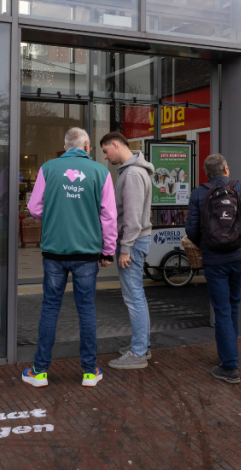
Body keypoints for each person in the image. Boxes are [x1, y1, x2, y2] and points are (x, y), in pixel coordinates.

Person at [22, 127, 117, 387]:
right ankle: (89, 371)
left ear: (66, 147)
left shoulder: (48, 168)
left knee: (50, 309)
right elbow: (108, 215)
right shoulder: (100, 172)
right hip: (87, 253)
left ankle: (39, 372)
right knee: (86, 310)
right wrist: (108, 250)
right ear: (87, 147)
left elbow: (33, 208)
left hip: (54, 251)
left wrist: (52, 214)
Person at [185, 154, 241, 383]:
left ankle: (229, 365)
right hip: (238, 258)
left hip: (214, 261)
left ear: (207, 173)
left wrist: (207, 245)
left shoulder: (199, 193)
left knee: (221, 309)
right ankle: (230, 356)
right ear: (226, 169)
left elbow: (191, 229)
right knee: (233, 305)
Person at [100, 132, 154, 369]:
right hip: (137, 241)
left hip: (133, 242)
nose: (105, 156)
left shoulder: (132, 174)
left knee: (133, 298)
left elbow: (131, 217)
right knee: (136, 296)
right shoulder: (133, 170)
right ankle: (142, 345)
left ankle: (139, 352)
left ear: (115, 144)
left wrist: (125, 249)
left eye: (105, 151)